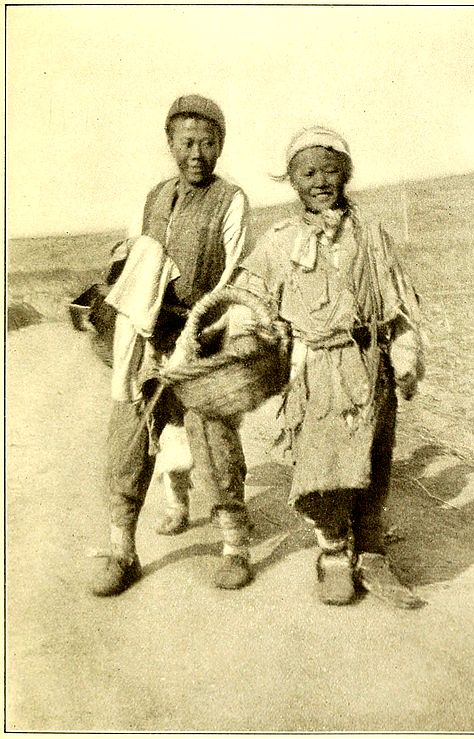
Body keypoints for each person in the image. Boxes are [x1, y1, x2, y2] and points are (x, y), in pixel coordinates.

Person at [229, 126, 426, 608]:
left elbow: (400, 303)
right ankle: (334, 552)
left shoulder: (372, 234)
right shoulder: (279, 241)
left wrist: (405, 356)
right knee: (323, 467)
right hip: (315, 371)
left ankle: (373, 551)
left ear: (346, 174)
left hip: (370, 366)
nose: (321, 181)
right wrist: (247, 338)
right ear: (292, 180)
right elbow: (249, 299)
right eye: (308, 172)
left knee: (374, 462)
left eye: (331, 170)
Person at [90, 94, 253, 596]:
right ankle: (122, 552)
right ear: (169, 143)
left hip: (202, 337)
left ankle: (235, 547)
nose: (197, 154)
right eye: (186, 143)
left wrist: (200, 330)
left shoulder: (231, 200)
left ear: (220, 146)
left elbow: (234, 274)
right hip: (149, 337)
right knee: (129, 436)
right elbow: (134, 261)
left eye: (208, 143)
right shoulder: (153, 198)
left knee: (212, 436)